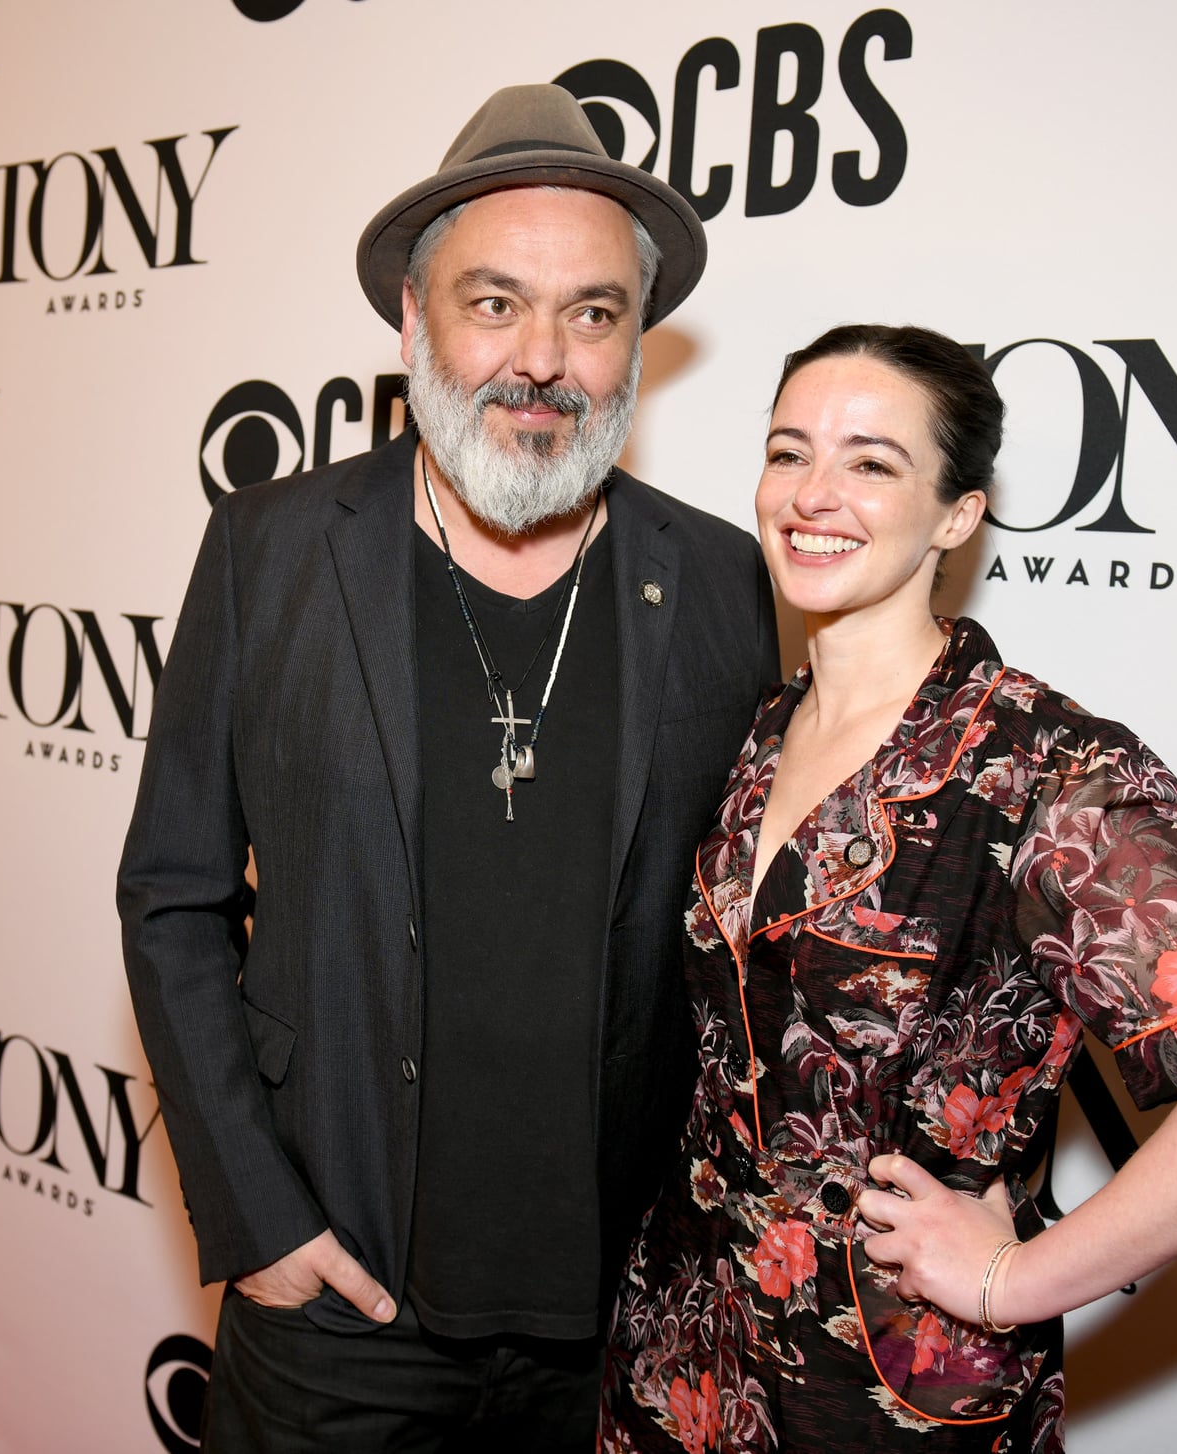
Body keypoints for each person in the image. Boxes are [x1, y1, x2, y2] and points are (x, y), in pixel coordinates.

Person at [117, 85, 780, 1450]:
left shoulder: (718, 578)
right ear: (414, 322)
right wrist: (259, 1213)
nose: (542, 357)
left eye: (593, 313)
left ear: (635, 345)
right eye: (495, 303)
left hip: (617, 1314)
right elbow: (173, 895)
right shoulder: (272, 550)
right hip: (339, 1307)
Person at [599, 324, 1177, 1452]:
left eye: (870, 462)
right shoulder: (758, 728)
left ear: (956, 514)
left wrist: (1016, 1276)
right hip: (675, 1358)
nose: (812, 494)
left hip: (887, 1394)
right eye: (787, 450)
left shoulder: (1044, 771)